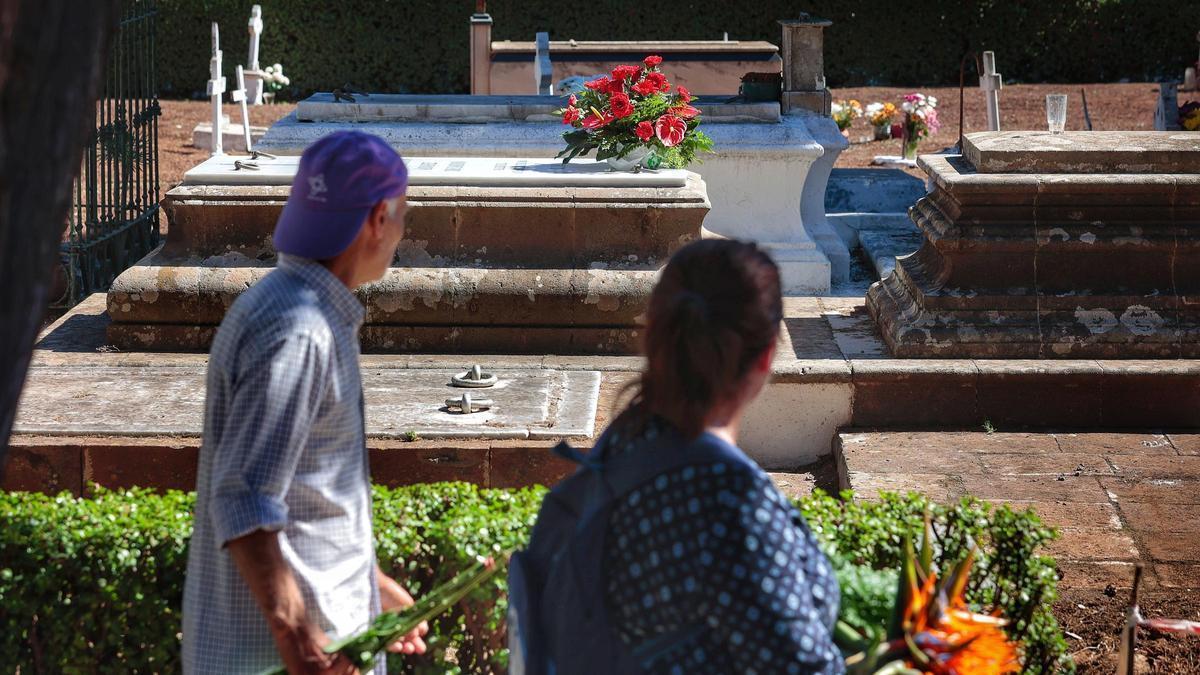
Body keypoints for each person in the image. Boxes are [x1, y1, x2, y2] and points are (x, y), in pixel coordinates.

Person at [182, 131, 427, 675]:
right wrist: (301, 642)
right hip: (280, 661)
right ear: (376, 220)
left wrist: (369, 586)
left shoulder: (288, 307)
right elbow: (245, 498)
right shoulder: (301, 331)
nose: (401, 233)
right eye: (403, 214)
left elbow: (303, 494)